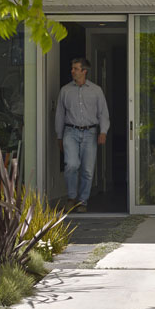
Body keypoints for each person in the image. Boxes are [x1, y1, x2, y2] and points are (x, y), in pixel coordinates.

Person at [55, 57, 109, 212]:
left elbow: (103, 113)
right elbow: (59, 114)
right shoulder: (65, 90)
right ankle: (71, 197)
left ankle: (83, 201)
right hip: (70, 131)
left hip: (90, 132)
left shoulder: (96, 90)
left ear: (84, 71)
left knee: (87, 169)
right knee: (71, 165)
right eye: (72, 68)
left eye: (76, 69)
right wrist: (59, 136)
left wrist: (103, 131)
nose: (72, 71)